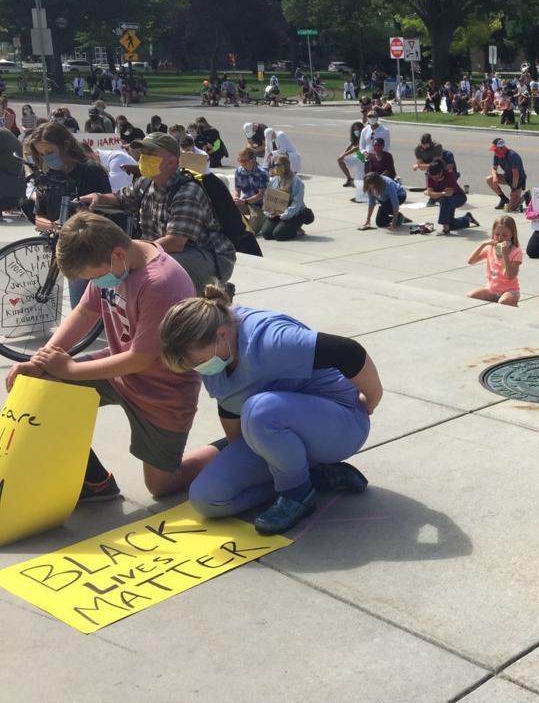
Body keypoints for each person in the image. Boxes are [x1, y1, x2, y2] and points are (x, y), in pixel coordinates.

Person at [5, 212, 220, 501]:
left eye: (93, 277)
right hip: (118, 370)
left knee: (161, 485)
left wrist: (69, 368)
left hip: (162, 392)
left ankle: (231, 447)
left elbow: (141, 359)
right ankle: (95, 482)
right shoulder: (114, 260)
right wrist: (41, 359)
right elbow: (85, 311)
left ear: (118, 254)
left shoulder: (161, 283)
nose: (96, 282)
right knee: (45, 383)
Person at [159, 284, 381, 534]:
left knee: (260, 409)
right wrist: (248, 453)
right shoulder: (216, 354)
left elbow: (348, 352)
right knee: (206, 499)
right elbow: (230, 407)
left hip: (341, 424)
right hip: (277, 427)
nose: (198, 369)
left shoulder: (270, 339)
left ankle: (297, 494)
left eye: (198, 362)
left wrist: (371, 399)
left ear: (222, 334)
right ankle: (311, 476)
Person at [79, 132, 236, 294]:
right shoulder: (146, 183)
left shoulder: (187, 191)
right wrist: (98, 197)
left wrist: (132, 252)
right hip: (169, 251)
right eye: (143, 154)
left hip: (208, 256)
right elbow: (121, 198)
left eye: (151, 154)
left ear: (172, 163)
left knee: (156, 274)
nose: (143, 158)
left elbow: (175, 242)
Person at [468, 216, 522, 306]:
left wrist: (505, 255)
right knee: (471, 295)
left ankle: (512, 303)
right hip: (492, 289)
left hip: (510, 290)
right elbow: (470, 261)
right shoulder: (490, 248)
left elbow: (510, 276)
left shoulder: (516, 251)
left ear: (512, 235)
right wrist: (483, 244)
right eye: (497, 234)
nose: (500, 238)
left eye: (505, 235)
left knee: (503, 302)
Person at [260, 154, 307, 241]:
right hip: (276, 213)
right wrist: (268, 213)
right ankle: (283, 226)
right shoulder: (273, 180)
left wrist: (284, 215)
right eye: (273, 165)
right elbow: (267, 199)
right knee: (266, 234)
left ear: (286, 166)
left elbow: (297, 203)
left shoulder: (296, 181)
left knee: (279, 235)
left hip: (292, 214)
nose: (275, 168)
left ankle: (296, 229)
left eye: (277, 165)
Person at [425, 157, 477, 236]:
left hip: (459, 197)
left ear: (441, 171)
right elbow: (431, 193)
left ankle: (445, 229)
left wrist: (436, 194)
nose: (435, 179)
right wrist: (441, 193)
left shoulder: (449, 174)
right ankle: (467, 218)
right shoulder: (430, 176)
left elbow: (449, 193)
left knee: (444, 200)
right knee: (451, 224)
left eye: (437, 177)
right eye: (433, 177)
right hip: (447, 198)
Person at [233, 146, 268, 236]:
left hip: (260, 205)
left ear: (252, 160)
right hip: (246, 202)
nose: (241, 163)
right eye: (239, 160)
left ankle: (261, 219)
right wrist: (236, 198)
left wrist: (245, 201)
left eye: (244, 161)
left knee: (251, 232)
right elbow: (237, 189)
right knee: (229, 208)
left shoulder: (262, 173)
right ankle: (246, 224)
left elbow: (261, 195)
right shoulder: (239, 171)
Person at [485, 137, 526, 212]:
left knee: (511, 209)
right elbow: (494, 168)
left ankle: (526, 196)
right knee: (489, 179)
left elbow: (516, 175)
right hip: (507, 177)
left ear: (501, 148)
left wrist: (513, 189)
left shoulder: (512, 156)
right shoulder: (497, 155)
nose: (495, 151)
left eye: (496, 149)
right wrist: (495, 177)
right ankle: (503, 199)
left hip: (518, 181)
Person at [336, 121, 365, 187]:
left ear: (361, 129)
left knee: (361, 184)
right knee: (340, 159)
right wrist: (342, 155)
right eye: (354, 130)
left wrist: (344, 154)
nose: (356, 131)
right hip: (357, 158)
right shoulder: (355, 138)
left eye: (357, 129)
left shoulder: (364, 136)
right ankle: (349, 179)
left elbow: (358, 148)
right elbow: (350, 146)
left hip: (364, 161)